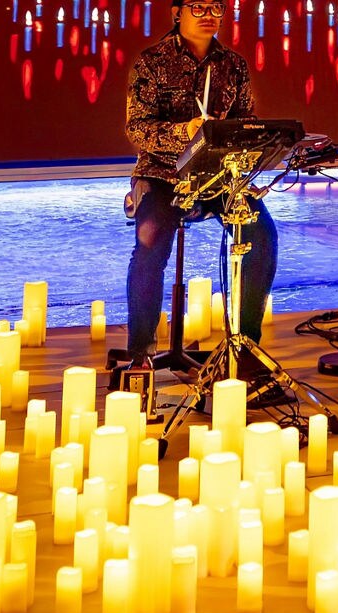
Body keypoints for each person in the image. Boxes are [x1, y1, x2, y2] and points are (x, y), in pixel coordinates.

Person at [123, 0, 278, 367]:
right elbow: (137, 128)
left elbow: (245, 123)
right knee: (150, 238)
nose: (208, 14)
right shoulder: (151, 62)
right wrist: (185, 134)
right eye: (198, 6)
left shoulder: (234, 65)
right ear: (177, 12)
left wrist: (248, 165)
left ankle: (246, 348)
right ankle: (141, 353)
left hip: (220, 174)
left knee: (260, 233)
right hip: (163, 174)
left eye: (216, 7)